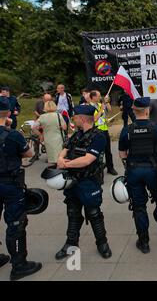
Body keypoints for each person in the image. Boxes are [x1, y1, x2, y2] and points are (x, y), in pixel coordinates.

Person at [55, 104, 112, 260]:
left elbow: (88, 160)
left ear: (81, 118)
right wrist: (60, 157)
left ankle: (102, 243)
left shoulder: (98, 136)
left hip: (88, 181)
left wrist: (65, 164)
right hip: (73, 181)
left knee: (94, 214)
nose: (73, 120)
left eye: (75, 117)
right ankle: (71, 244)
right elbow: (65, 148)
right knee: (72, 213)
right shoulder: (77, 134)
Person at [119, 97, 157, 254]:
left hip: (134, 172)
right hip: (153, 171)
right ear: (148, 111)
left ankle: (144, 242)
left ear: (134, 112)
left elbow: (122, 154)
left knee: (139, 207)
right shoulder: (156, 128)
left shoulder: (127, 130)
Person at [0, 96, 42, 281]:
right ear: (8, 113)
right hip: (10, 183)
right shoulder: (13, 135)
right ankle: (19, 265)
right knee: (16, 223)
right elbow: (29, 153)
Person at [90, 90, 117, 175]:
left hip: (104, 130)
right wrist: (101, 109)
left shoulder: (99, 104)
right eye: (98, 96)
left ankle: (110, 168)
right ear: (93, 97)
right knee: (97, 151)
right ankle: (97, 169)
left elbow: (109, 110)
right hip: (96, 131)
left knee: (108, 151)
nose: (100, 97)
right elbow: (94, 119)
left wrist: (107, 102)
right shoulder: (89, 107)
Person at [32, 101, 67, 167]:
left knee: (52, 157)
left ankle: (55, 168)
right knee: (60, 156)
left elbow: (34, 128)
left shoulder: (42, 117)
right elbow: (65, 127)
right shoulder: (58, 115)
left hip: (48, 138)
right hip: (59, 138)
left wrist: (40, 135)